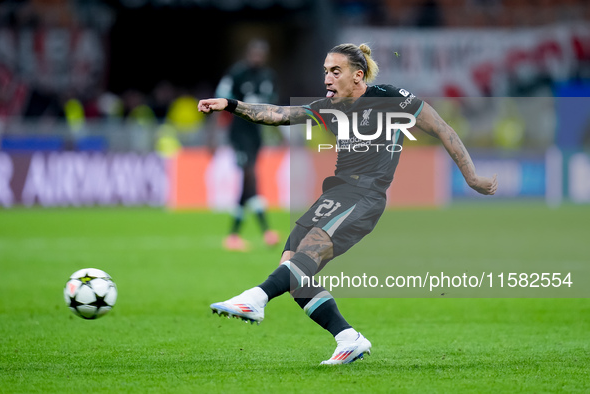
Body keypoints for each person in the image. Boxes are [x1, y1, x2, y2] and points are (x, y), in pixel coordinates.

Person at [198, 43, 498, 365]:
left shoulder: (389, 97)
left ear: (357, 76)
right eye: (325, 71)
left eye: (335, 71)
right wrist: (230, 104)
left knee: (306, 254)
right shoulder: (331, 106)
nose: (327, 78)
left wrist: (471, 177)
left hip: (365, 196)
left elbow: (441, 127)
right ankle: (348, 338)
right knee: (294, 272)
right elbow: (279, 115)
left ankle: (255, 298)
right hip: (336, 193)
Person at [214, 39, 280, 251]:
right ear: (248, 54)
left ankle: (233, 236)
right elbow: (221, 94)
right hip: (239, 133)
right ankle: (266, 230)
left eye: (261, 54)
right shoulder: (237, 73)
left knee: (246, 184)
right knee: (250, 175)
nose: (257, 58)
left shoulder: (268, 76)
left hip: (256, 134)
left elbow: (272, 103)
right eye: (254, 53)